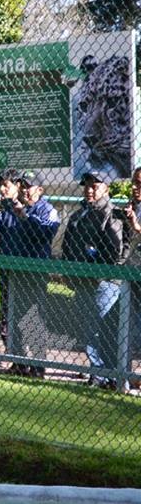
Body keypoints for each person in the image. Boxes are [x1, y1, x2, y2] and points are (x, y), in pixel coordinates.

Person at [0, 169, 60, 377]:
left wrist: (24, 216)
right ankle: (17, 362)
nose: (25, 191)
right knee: (11, 317)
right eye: (23, 186)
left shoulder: (46, 210)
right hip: (10, 271)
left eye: (29, 187)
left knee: (33, 318)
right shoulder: (13, 208)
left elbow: (44, 234)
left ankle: (37, 366)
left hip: (32, 273)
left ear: (40, 190)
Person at [61, 170, 125, 389]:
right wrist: (69, 272)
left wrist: (92, 256)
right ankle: (97, 373)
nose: (89, 189)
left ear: (106, 188)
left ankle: (110, 376)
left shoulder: (112, 214)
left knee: (104, 329)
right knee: (88, 330)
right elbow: (67, 246)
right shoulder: (79, 215)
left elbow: (114, 252)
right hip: (82, 281)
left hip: (104, 281)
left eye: (95, 186)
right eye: (86, 185)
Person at [122, 167, 141, 390]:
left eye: (140, 183)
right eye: (134, 183)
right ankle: (125, 376)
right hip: (131, 274)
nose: (136, 188)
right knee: (128, 327)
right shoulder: (132, 206)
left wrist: (137, 227)